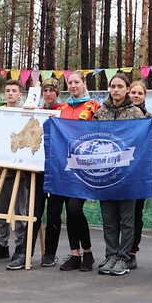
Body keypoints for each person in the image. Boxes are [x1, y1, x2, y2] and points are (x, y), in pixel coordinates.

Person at [93, 73, 147, 276]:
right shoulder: (101, 112)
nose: (115, 90)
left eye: (120, 86)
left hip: (128, 175)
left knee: (127, 219)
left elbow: (144, 141)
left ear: (127, 89)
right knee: (108, 218)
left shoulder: (136, 113)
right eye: (112, 86)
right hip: (105, 174)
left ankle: (124, 257)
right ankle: (111, 255)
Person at [49, 71, 100, 271]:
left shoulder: (94, 106)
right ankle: (74, 255)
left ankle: (88, 253)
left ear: (84, 83)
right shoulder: (60, 108)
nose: (72, 85)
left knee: (74, 209)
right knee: (68, 212)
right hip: (63, 167)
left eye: (76, 82)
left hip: (84, 168)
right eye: (69, 82)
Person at [19, 78, 64, 269]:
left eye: (52, 91)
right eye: (45, 91)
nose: (48, 94)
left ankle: (50, 253)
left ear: (57, 93)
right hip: (37, 169)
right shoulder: (35, 112)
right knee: (34, 212)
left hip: (57, 170)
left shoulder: (63, 112)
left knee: (54, 213)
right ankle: (25, 252)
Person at [0, 79, 29, 267]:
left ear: (20, 94)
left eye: (14, 91)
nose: (10, 94)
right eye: (8, 90)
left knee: (20, 210)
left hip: (20, 169)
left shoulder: (27, 112)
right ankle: (3, 244)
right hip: (0, 168)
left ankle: (21, 246)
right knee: (1, 209)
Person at [127, 80, 152, 269]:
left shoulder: (149, 118)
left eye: (140, 93)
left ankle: (132, 251)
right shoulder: (119, 115)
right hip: (120, 171)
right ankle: (117, 250)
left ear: (145, 96)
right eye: (133, 93)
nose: (136, 96)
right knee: (118, 215)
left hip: (140, 173)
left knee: (136, 213)